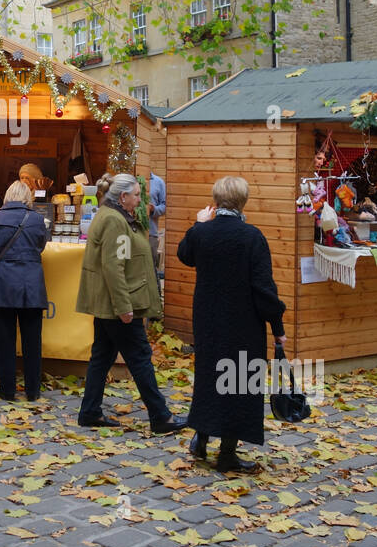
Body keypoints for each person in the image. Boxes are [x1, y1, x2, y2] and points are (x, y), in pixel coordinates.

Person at [177, 176, 287, 474]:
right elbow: (264, 289)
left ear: (216, 201)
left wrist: (198, 224)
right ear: (243, 201)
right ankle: (227, 455)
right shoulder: (252, 237)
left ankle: (201, 440)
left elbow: (184, 255)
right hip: (243, 324)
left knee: (209, 378)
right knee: (239, 384)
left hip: (208, 322)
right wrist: (277, 326)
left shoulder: (202, 233)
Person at [76, 173, 186, 435]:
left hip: (109, 303)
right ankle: (161, 417)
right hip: (118, 305)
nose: (140, 200)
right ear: (123, 196)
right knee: (140, 358)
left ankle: (89, 412)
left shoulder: (113, 215)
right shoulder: (114, 220)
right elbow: (114, 267)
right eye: (136, 195)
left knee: (102, 356)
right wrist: (124, 306)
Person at [0, 180, 48, 401]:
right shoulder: (37, 219)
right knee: (32, 341)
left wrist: (1, 256)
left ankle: (7, 389)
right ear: (28, 198)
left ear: (7, 196)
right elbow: (41, 246)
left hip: (4, 282)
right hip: (32, 283)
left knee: (5, 340)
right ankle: (33, 391)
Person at [147, 171, 167, 282]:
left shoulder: (158, 182)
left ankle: (155, 292)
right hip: (130, 231)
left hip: (151, 232)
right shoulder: (130, 179)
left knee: (151, 268)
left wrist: (154, 209)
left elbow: (165, 206)